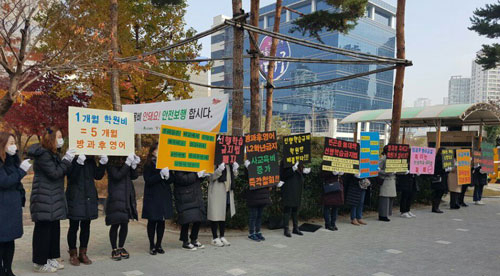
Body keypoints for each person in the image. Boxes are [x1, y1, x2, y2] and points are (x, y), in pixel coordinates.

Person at [28, 127, 75, 273]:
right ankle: (39, 262)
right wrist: (66, 161)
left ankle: (50, 258)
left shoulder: (53, 154)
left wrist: (67, 161)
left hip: (52, 196)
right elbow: (55, 174)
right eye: (58, 137)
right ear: (51, 139)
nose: (61, 140)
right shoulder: (43, 154)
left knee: (53, 229)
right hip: (44, 196)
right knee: (43, 230)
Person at [66, 154, 107, 266]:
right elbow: (71, 177)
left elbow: (97, 176)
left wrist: (103, 163)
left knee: (86, 226)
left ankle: (83, 253)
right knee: (73, 226)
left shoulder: (90, 160)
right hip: (75, 196)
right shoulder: (71, 159)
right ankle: (73, 253)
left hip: (88, 196)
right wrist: (78, 163)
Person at [0, 132, 31, 276]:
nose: (14, 146)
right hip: (2, 207)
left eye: (14, 143)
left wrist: (21, 198)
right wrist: (21, 171)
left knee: (10, 239)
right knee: (1, 240)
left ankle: (8, 269)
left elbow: (16, 182)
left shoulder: (12, 160)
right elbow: (5, 182)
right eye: (11, 143)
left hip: (12, 206)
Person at [106, 154, 140, 261]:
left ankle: (121, 246)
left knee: (125, 222)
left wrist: (134, 165)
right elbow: (117, 176)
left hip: (126, 196)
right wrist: (127, 163)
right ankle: (114, 248)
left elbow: (134, 176)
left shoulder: (127, 162)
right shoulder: (111, 164)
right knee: (115, 223)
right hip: (116, 197)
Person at [142, 143, 174, 255]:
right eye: (157, 149)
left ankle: (159, 244)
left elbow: (171, 180)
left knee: (161, 220)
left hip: (164, 195)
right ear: (153, 151)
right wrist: (160, 175)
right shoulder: (148, 164)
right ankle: (152, 245)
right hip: (152, 195)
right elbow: (148, 180)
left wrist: (168, 176)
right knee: (152, 220)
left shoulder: (166, 161)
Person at [171, 169, 210, 251]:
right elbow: (181, 179)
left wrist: (203, 176)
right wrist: (196, 174)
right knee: (186, 219)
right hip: (185, 195)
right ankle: (185, 242)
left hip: (195, 194)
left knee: (198, 218)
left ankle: (194, 239)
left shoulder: (194, 163)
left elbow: (197, 180)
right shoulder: (179, 165)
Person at [208, 162, 239, 247]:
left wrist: (235, 169)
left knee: (223, 214)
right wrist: (219, 170)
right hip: (216, 192)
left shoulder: (229, 163)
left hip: (227, 192)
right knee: (215, 215)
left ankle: (222, 236)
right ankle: (214, 237)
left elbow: (233, 176)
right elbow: (210, 177)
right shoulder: (215, 162)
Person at [278, 161, 311, 237]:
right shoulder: (285, 161)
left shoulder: (299, 160)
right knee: (288, 207)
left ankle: (295, 228)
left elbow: (300, 171)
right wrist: (292, 169)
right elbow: (282, 175)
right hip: (289, 186)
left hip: (298, 185)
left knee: (296, 207)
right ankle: (286, 229)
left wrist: (304, 171)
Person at [244, 160, 272, 242]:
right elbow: (248, 177)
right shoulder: (250, 164)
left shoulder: (265, 164)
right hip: (254, 194)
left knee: (259, 215)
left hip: (263, 194)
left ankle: (258, 231)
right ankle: (251, 233)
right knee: (253, 215)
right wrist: (248, 167)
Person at [378, 146, 396, 222]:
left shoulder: (392, 159)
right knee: (384, 198)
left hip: (391, 180)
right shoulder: (383, 159)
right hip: (385, 180)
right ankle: (382, 215)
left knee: (390, 198)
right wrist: (386, 172)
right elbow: (378, 170)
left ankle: (387, 213)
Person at [431, 148, 450, 213]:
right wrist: (445, 170)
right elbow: (438, 169)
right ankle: (435, 207)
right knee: (438, 193)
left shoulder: (439, 159)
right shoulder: (439, 159)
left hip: (441, 178)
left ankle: (436, 207)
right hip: (439, 179)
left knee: (438, 193)